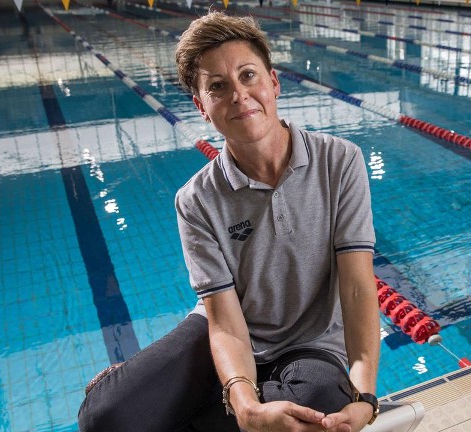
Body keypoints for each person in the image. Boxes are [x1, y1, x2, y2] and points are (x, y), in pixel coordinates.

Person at [78, 11, 380, 432]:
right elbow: (224, 318)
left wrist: (366, 395)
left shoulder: (339, 161)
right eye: (218, 86)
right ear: (202, 107)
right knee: (104, 416)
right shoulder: (196, 200)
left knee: (318, 409)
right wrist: (244, 402)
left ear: (273, 83)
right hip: (225, 333)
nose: (239, 95)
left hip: (311, 345)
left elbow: (356, 285)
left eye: (248, 75)